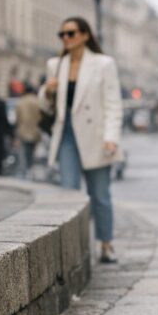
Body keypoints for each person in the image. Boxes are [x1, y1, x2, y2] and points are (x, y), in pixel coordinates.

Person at [38, 17, 124, 264]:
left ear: (85, 35)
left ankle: (106, 243)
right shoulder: (55, 64)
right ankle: (73, 249)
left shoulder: (103, 64)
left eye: (71, 33)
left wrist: (111, 137)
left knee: (100, 195)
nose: (66, 38)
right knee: (69, 194)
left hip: (96, 136)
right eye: (62, 34)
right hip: (66, 136)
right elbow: (46, 105)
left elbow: (113, 104)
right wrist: (48, 91)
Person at [15, 83, 42, 177]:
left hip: (23, 131)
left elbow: (18, 118)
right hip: (35, 131)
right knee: (32, 153)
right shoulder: (38, 101)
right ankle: (31, 172)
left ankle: (24, 172)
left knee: (23, 154)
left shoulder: (21, 102)